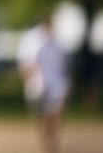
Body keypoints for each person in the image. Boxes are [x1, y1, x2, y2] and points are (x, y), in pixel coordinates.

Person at [17, 17, 69, 153]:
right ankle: (47, 142)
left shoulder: (58, 45)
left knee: (54, 115)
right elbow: (25, 65)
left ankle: (53, 143)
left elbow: (63, 67)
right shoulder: (33, 43)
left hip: (55, 86)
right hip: (38, 86)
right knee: (42, 118)